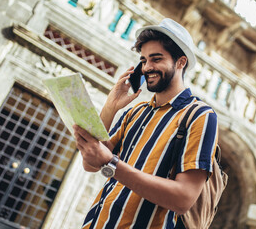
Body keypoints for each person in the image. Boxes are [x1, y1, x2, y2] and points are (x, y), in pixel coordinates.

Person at [73, 18, 218, 229]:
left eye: (156, 59)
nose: (147, 67)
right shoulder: (135, 113)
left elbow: (183, 198)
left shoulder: (200, 115)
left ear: (181, 62)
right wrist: (110, 107)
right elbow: (91, 164)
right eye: (143, 60)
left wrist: (112, 164)